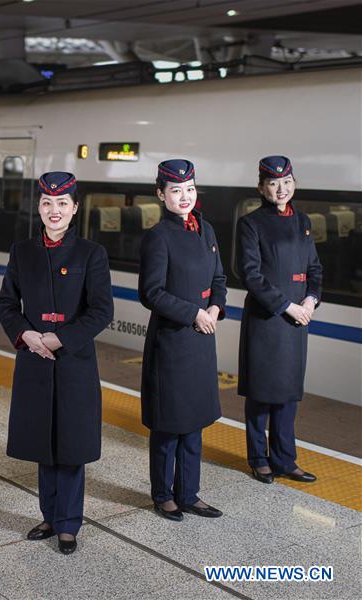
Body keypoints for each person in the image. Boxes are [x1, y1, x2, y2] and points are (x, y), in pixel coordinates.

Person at [0, 172, 113, 555]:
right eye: (47, 203)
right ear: (39, 207)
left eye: (62, 203)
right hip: (34, 360)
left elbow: (100, 311)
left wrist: (60, 338)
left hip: (74, 361)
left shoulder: (91, 254)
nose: (54, 210)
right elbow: (7, 305)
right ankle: (48, 515)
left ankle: (68, 523)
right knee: (43, 442)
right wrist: (27, 336)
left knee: (71, 446)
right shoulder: (22, 251)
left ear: (75, 208)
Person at [138, 159, 226, 522]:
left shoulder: (206, 231)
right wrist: (194, 314)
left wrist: (216, 308)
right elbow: (151, 293)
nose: (184, 196)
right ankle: (163, 494)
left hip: (202, 340)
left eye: (190, 189)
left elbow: (219, 278)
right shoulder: (159, 237)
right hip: (172, 344)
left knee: (195, 422)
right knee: (169, 425)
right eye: (175, 191)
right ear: (161, 195)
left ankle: (189, 493)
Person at [237, 155, 321, 484]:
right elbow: (251, 275)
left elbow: (314, 268)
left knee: (288, 394)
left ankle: (285, 460)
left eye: (286, 182)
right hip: (267, 318)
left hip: (298, 319)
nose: (281, 188)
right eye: (273, 183)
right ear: (262, 188)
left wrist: (312, 299)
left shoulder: (304, 221)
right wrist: (289, 306)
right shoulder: (251, 223)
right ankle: (259, 459)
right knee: (261, 394)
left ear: (294, 184)